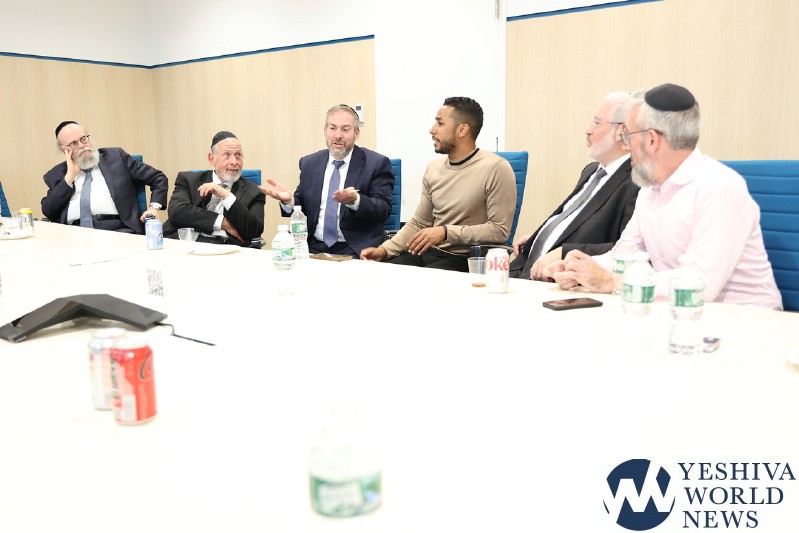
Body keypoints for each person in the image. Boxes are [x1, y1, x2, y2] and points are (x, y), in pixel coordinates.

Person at [545, 83, 782, 309]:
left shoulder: (719, 187)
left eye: (628, 137)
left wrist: (611, 282)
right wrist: (579, 269)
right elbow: (623, 257)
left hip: (744, 321)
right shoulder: (649, 190)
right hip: (679, 314)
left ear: (651, 140)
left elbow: (701, 283)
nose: (626, 147)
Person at [360, 97, 516, 271]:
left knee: (418, 283)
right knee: (378, 274)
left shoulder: (496, 168)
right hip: (429, 253)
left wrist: (445, 232)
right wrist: (384, 250)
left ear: (462, 129)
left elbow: (499, 230)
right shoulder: (433, 168)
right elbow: (419, 223)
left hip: (464, 259)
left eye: (440, 123)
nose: (432, 130)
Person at [509, 92, 640, 280]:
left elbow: (628, 249)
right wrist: (541, 238)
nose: (588, 130)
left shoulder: (637, 182)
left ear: (623, 132)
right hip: (523, 266)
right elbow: (572, 221)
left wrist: (564, 252)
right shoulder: (592, 171)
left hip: (556, 279)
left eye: (597, 122)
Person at [260, 104, 394, 258]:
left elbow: (383, 209)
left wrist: (356, 200)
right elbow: (302, 205)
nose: (338, 135)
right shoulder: (310, 163)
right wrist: (289, 200)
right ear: (325, 131)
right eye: (332, 128)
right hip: (313, 246)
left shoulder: (376, 163)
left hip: (356, 247)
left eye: (345, 129)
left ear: (356, 133)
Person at [42, 121, 168, 233]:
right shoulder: (58, 174)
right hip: (73, 234)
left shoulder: (116, 157)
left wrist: (154, 208)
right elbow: (49, 211)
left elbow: (158, 178)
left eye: (83, 139)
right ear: (64, 150)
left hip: (117, 231)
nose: (82, 145)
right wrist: (69, 177)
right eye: (74, 143)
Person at [163, 131, 265, 246]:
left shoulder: (254, 192)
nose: (234, 162)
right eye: (227, 155)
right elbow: (177, 212)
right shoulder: (188, 179)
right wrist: (222, 223)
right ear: (212, 158)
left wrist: (227, 197)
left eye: (238, 155)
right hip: (184, 245)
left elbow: (254, 231)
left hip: (226, 248)